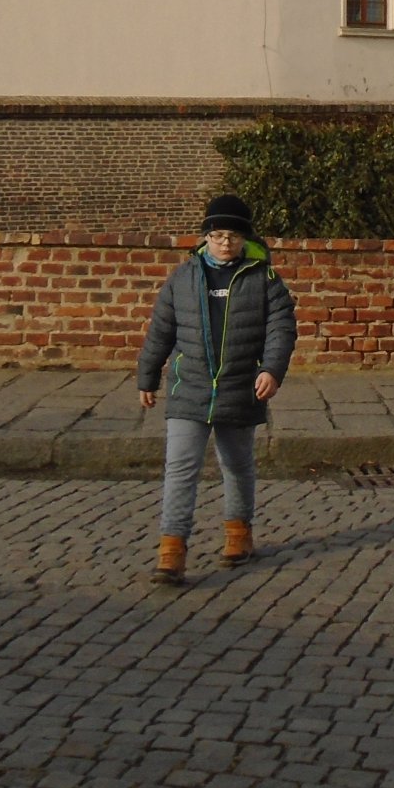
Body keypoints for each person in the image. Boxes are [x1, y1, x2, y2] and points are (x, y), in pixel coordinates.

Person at [136, 193, 297, 585]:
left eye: (234, 236)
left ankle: (238, 533)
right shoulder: (183, 278)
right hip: (188, 386)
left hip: (241, 385)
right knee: (180, 468)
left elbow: (281, 329)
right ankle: (171, 549)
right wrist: (147, 375)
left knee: (237, 464)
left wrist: (272, 370)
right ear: (206, 235)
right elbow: (161, 330)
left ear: (246, 239)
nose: (226, 243)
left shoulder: (265, 279)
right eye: (219, 234)